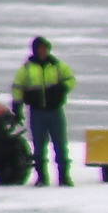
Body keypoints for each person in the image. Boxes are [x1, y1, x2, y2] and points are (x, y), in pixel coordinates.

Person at [9, 38, 75, 186]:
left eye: (45, 48)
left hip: (55, 111)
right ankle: (41, 178)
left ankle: (64, 177)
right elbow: (17, 88)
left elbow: (71, 79)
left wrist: (62, 88)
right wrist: (17, 106)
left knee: (60, 145)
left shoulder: (58, 66)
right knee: (39, 147)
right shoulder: (26, 69)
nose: (43, 51)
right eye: (40, 49)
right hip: (37, 112)